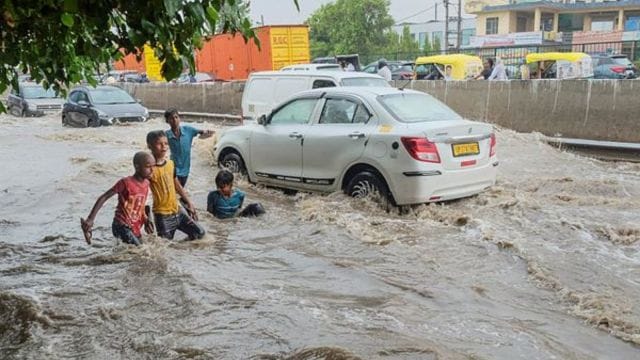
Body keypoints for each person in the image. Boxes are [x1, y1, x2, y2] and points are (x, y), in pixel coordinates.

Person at [80, 152, 155, 246]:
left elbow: (141, 205)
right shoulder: (126, 183)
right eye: (148, 167)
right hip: (121, 225)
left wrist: (146, 220)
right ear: (137, 167)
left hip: (135, 227)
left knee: (137, 253)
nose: (152, 170)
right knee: (141, 252)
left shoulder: (146, 183)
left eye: (154, 166)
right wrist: (90, 219)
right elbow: (104, 197)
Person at [147, 130, 206, 240]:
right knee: (165, 248)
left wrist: (189, 203)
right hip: (162, 216)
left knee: (200, 234)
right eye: (159, 144)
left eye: (165, 143)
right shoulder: (149, 170)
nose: (164, 147)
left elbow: (177, 185)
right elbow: (143, 195)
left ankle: (180, 250)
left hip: (178, 211)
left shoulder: (170, 164)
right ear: (150, 146)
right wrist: (147, 218)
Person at [164, 108, 214, 187]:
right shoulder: (166, 135)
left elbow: (201, 132)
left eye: (176, 117)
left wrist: (208, 133)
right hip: (173, 168)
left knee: (180, 190)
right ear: (167, 121)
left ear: (179, 118)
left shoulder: (188, 130)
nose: (174, 120)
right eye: (171, 118)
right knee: (177, 191)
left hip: (185, 169)